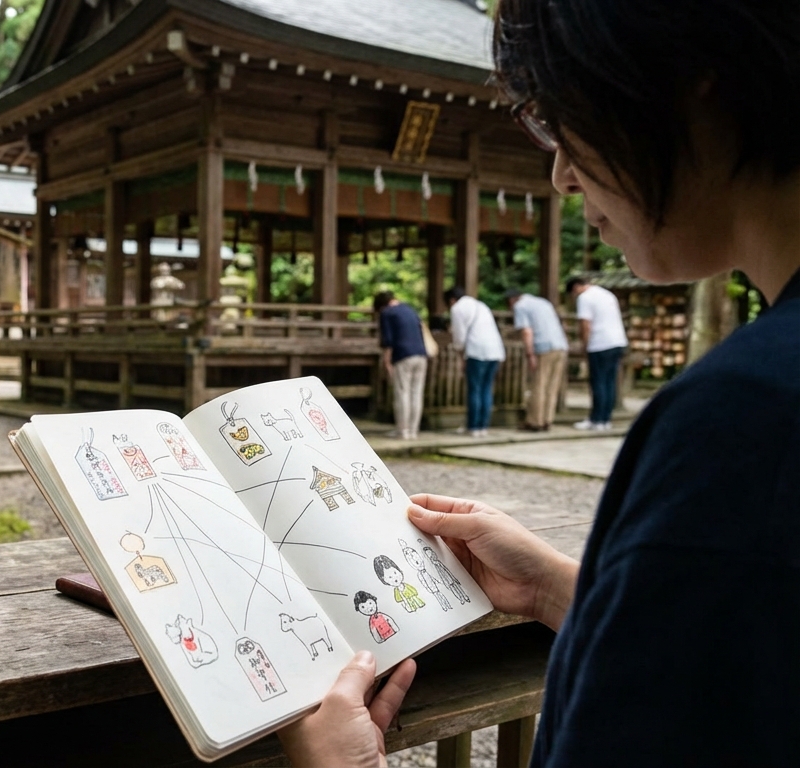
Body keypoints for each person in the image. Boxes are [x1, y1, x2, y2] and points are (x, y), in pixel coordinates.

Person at [277, 0, 800, 766]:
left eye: (557, 118)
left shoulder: (748, 416)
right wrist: (563, 589)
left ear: (692, 76)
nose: (558, 174)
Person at [566, 277, 628, 430]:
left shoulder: (585, 298)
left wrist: (584, 345)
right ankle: (606, 419)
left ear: (576, 288)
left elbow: (585, 324)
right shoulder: (607, 294)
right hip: (617, 341)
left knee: (598, 382)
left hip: (600, 343)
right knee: (609, 381)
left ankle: (596, 419)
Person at [444, 286, 504, 437]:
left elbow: (459, 337)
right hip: (495, 350)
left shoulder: (457, 308)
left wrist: (460, 355)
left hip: (476, 350)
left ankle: (473, 426)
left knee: (475, 389)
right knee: (486, 389)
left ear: (451, 299)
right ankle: (483, 426)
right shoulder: (481, 305)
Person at [505, 288, 569, 431]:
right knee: (552, 386)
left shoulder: (520, 306)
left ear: (511, 300)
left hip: (543, 347)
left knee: (538, 385)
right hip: (560, 346)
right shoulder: (543, 302)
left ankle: (535, 421)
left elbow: (527, 331)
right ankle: (547, 419)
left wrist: (529, 354)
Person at [374, 291, 427, 440]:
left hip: (403, 355)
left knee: (402, 393)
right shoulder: (410, 310)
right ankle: (413, 430)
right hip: (421, 354)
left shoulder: (387, 313)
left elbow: (388, 341)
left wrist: (386, 361)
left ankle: (402, 430)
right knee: (416, 393)